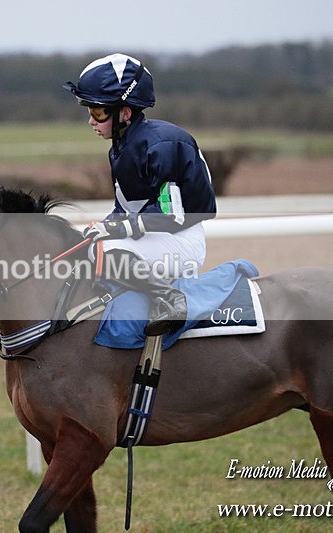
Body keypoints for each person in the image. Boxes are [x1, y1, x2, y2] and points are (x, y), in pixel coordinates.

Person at [63, 53, 217, 336]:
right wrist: (102, 227)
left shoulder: (162, 145)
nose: (91, 121)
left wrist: (117, 229)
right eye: (89, 112)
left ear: (125, 112)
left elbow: (172, 216)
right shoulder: (121, 148)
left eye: (98, 112)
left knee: (108, 253)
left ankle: (171, 300)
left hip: (181, 239)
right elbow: (125, 210)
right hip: (157, 236)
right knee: (89, 250)